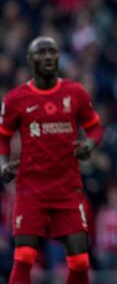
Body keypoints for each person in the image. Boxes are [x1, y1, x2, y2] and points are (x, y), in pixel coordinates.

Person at [0, 36, 104, 284]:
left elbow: (95, 128)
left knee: (80, 261)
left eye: (52, 52)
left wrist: (90, 144)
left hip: (67, 187)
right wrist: (3, 164)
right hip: (31, 188)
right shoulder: (16, 99)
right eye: (41, 52)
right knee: (24, 256)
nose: (47, 57)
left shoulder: (75, 93)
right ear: (30, 59)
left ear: (58, 57)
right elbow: (2, 137)